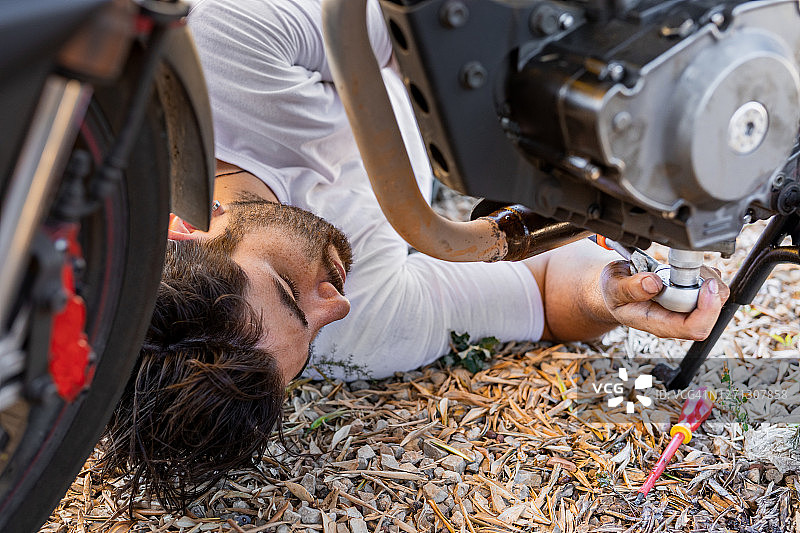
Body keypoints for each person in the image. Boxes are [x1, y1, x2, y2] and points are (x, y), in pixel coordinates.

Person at [99, 0, 729, 511]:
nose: (338, 305)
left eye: (291, 295)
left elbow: (433, 24)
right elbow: (537, 294)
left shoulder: (220, 53)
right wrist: (612, 297)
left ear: (186, 232)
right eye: (312, 340)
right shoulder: (363, 331)